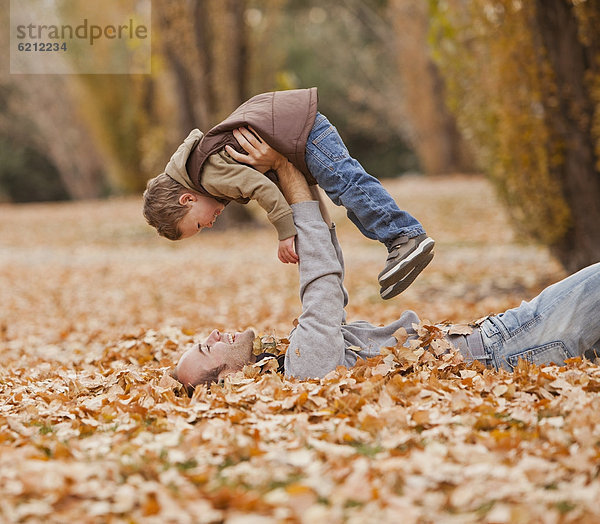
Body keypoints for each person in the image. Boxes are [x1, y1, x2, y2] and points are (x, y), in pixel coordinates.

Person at [173, 132, 600, 390]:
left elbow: (327, 263)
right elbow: (322, 281)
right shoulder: (305, 369)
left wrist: (297, 173)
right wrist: (285, 168)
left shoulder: (296, 361)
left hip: (501, 340)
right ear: (229, 381)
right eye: (207, 347)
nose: (212, 334)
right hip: (507, 347)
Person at [143, 88, 434, 299]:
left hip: (302, 133)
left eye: (198, 224)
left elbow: (263, 189)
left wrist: (284, 233)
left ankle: (404, 236)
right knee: (340, 193)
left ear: (187, 199)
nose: (209, 225)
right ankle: (375, 260)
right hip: (298, 135)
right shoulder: (204, 171)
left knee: (347, 184)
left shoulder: (208, 174)